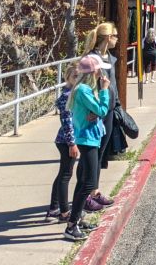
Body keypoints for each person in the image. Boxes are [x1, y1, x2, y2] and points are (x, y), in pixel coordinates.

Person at [64, 54, 111, 241]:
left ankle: (78, 219)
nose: (102, 73)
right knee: (89, 183)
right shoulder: (84, 90)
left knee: (83, 183)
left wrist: (96, 112)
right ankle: (71, 225)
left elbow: (97, 112)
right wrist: (105, 91)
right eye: (99, 70)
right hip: (87, 140)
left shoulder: (85, 89)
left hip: (90, 138)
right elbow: (101, 110)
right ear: (93, 72)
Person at [83, 22, 120, 205]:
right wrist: (91, 109)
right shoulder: (91, 59)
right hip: (95, 111)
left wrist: (117, 103)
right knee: (92, 154)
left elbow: (111, 84)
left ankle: (94, 191)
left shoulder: (109, 57)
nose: (117, 39)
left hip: (108, 109)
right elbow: (84, 85)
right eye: (115, 35)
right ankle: (87, 193)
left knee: (101, 151)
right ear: (107, 37)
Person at [45, 64, 80, 222]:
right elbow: (67, 122)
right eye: (74, 76)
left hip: (66, 140)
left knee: (62, 174)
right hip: (66, 141)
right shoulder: (67, 96)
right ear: (67, 78)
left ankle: (53, 208)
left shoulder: (73, 93)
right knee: (66, 175)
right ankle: (64, 212)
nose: (78, 79)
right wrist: (72, 143)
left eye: (80, 76)